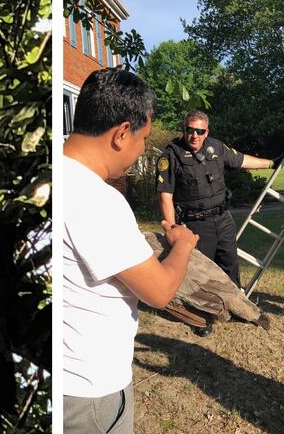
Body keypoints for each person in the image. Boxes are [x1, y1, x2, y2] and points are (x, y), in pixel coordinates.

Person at [63, 68, 199, 434]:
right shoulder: (95, 199)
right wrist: (184, 245)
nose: (142, 149)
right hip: (89, 394)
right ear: (122, 133)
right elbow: (159, 291)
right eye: (143, 138)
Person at [155, 110, 276, 336]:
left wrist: (271, 163)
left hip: (223, 219)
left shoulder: (217, 148)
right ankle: (203, 318)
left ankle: (234, 309)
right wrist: (172, 229)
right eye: (190, 130)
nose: (194, 136)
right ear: (184, 130)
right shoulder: (170, 156)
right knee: (203, 272)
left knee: (230, 263)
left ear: (206, 131)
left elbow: (240, 160)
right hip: (195, 225)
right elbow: (165, 196)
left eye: (200, 131)